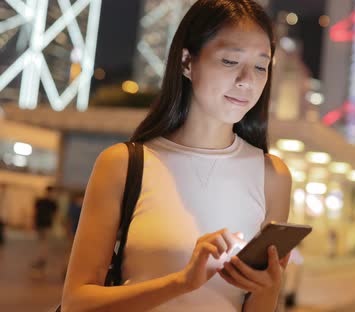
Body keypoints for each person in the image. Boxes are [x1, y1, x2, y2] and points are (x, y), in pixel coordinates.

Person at [61, 1, 292, 311]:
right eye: (229, 60)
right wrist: (181, 282)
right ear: (186, 62)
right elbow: (77, 302)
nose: (247, 80)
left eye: (261, 66)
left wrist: (268, 289)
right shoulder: (124, 165)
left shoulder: (272, 176)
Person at [31, 185, 58, 274]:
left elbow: (55, 215)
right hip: (41, 224)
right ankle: (41, 259)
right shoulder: (40, 201)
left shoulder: (52, 203)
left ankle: (42, 259)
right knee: (41, 242)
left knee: (44, 243)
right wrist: (33, 222)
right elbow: (34, 212)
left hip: (46, 225)